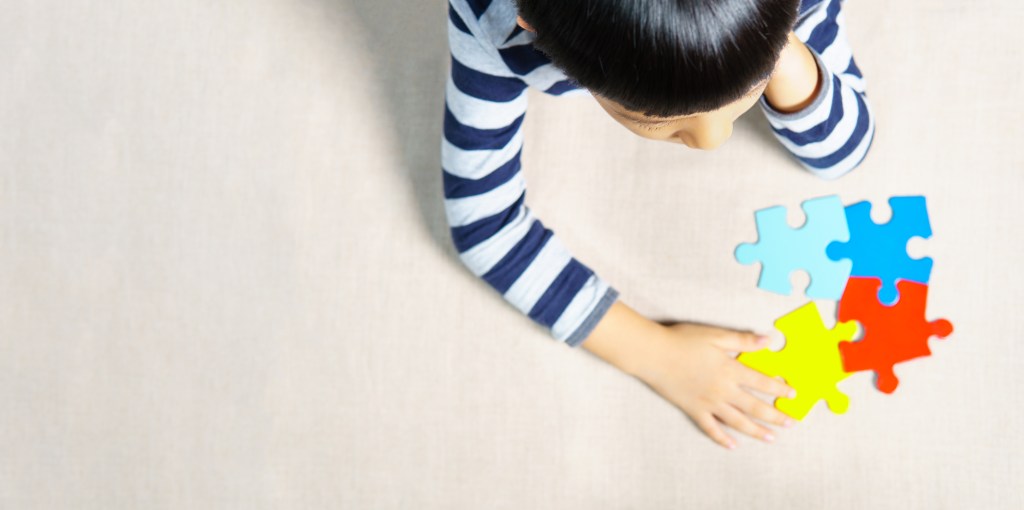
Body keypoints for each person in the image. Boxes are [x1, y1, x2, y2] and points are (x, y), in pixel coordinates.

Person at [441, 0, 874, 449]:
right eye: (658, 121)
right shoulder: (491, 24)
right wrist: (653, 354)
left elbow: (844, 153)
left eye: (753, 83)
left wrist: (773, 41)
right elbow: (483, 223)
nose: (713, 140)